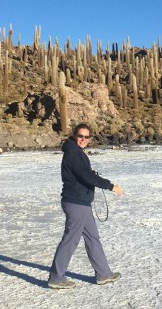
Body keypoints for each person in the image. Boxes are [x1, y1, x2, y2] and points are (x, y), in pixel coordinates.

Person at [48, 123, 124, 289]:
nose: (83, 139)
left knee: (92, 237)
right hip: (76, 203)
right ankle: (56, 277)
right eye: (80, 136)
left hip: (81, 202)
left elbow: (84, 175)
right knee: (70, 240)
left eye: (86, 137)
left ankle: (103, 274)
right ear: (74, 136)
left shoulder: (76, 152)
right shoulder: (73, 154)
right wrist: (111, 186)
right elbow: (87, 176)